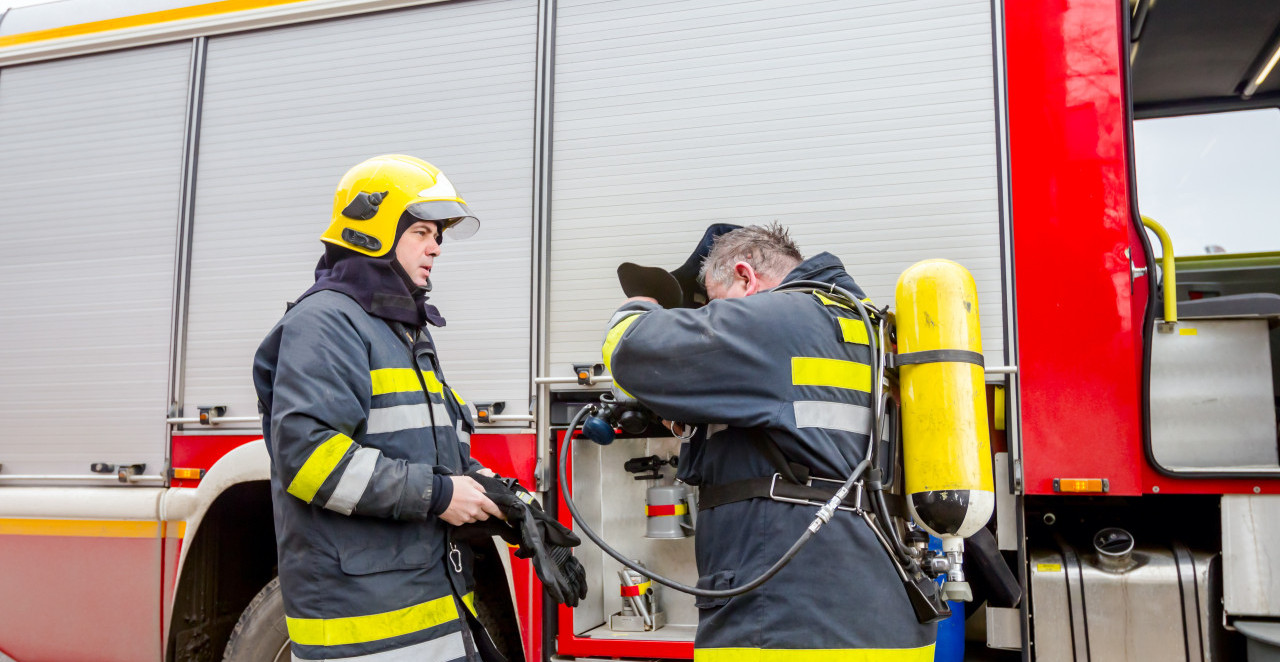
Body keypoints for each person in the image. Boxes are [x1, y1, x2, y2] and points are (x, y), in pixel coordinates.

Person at [601, 223, 937, 661]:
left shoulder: (777, 318)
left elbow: (631, 351)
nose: (714, 320)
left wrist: (637, 307)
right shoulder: (866, 328)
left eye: (714, 306)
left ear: (745, 277)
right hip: (885, 620)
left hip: (788, 624)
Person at [253, 155, 526, 662]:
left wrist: (496, 496)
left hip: (427, 611)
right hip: (363, 630)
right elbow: (310, 459)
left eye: (438, 234)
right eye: (422, 231)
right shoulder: (327, 323)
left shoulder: (400, 327)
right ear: (373, 232)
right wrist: (440, 493)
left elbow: (427, 445)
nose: (436, 248)